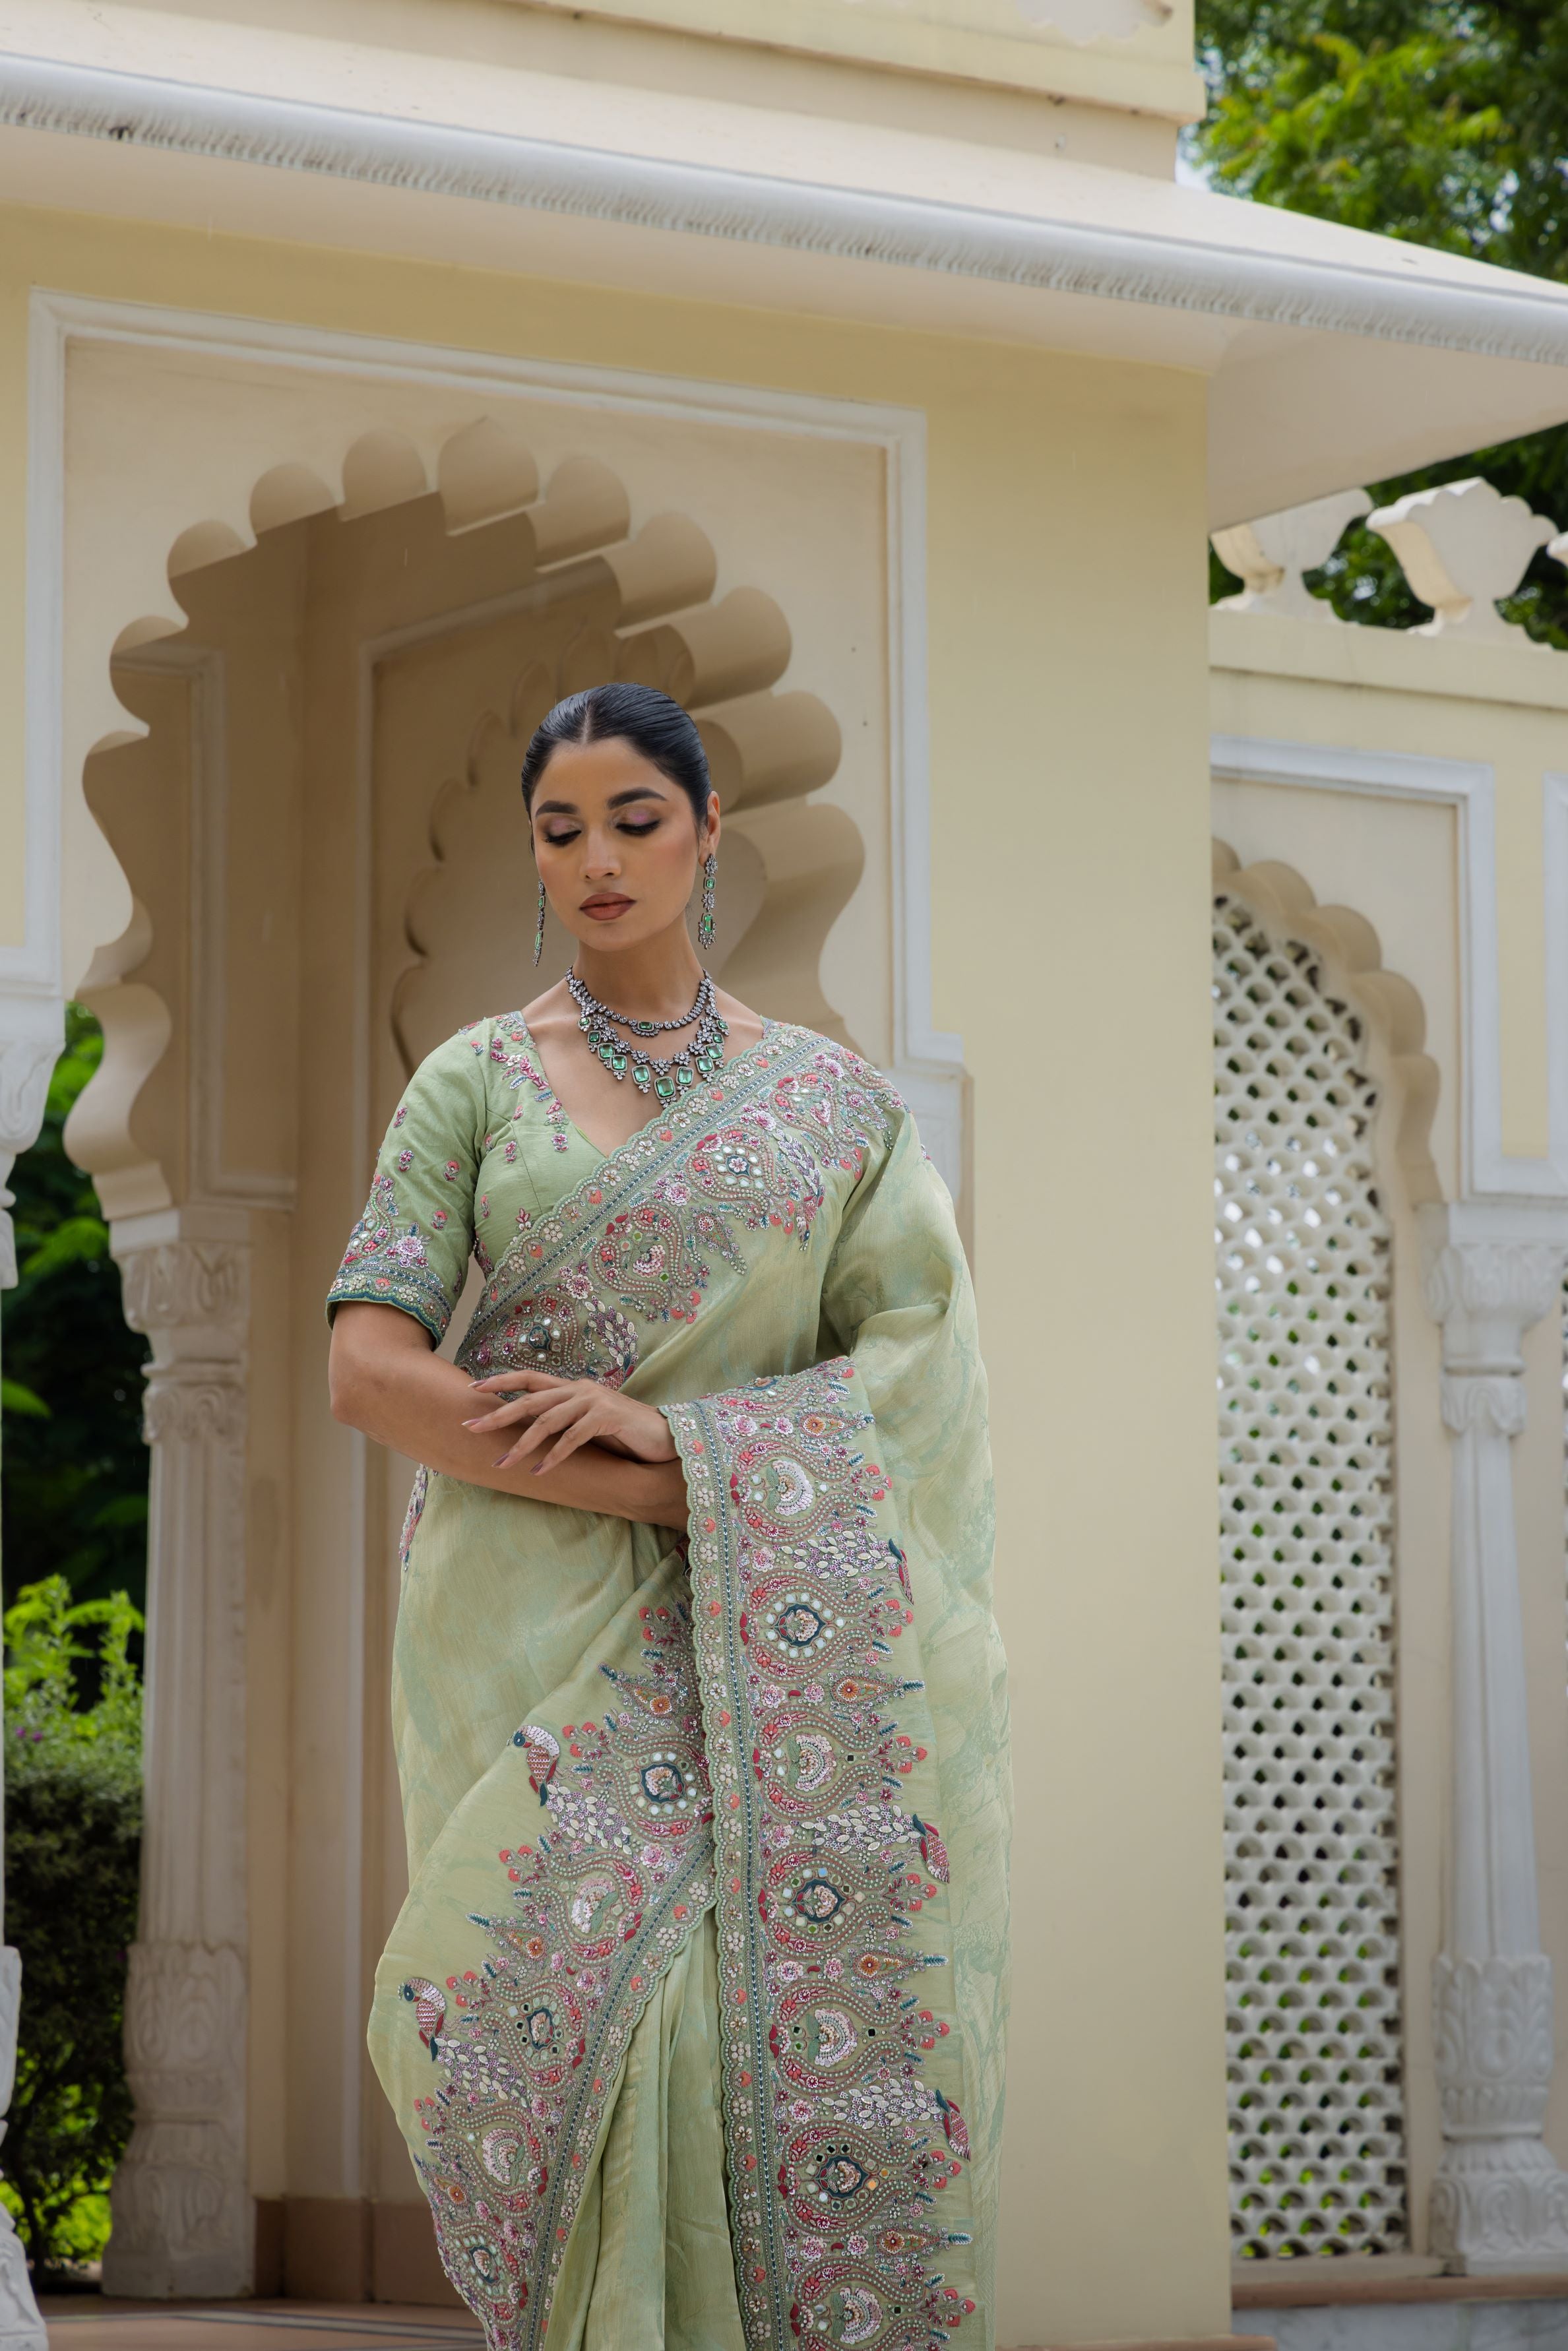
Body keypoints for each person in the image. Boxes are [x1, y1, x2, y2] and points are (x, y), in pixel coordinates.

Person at [327, 681, 1009, 2351]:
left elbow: (920, 1377)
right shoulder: (475, 1084)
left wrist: (677, 1445)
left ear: (707, 835)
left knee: (711, 2029)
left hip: (769, 1641)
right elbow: (366, 1367)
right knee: (528, 2016)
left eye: (636, 819)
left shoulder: (832, 1108)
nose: (599, 858)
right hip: (520, 1620)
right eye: (561, 830)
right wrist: (642, 1476)